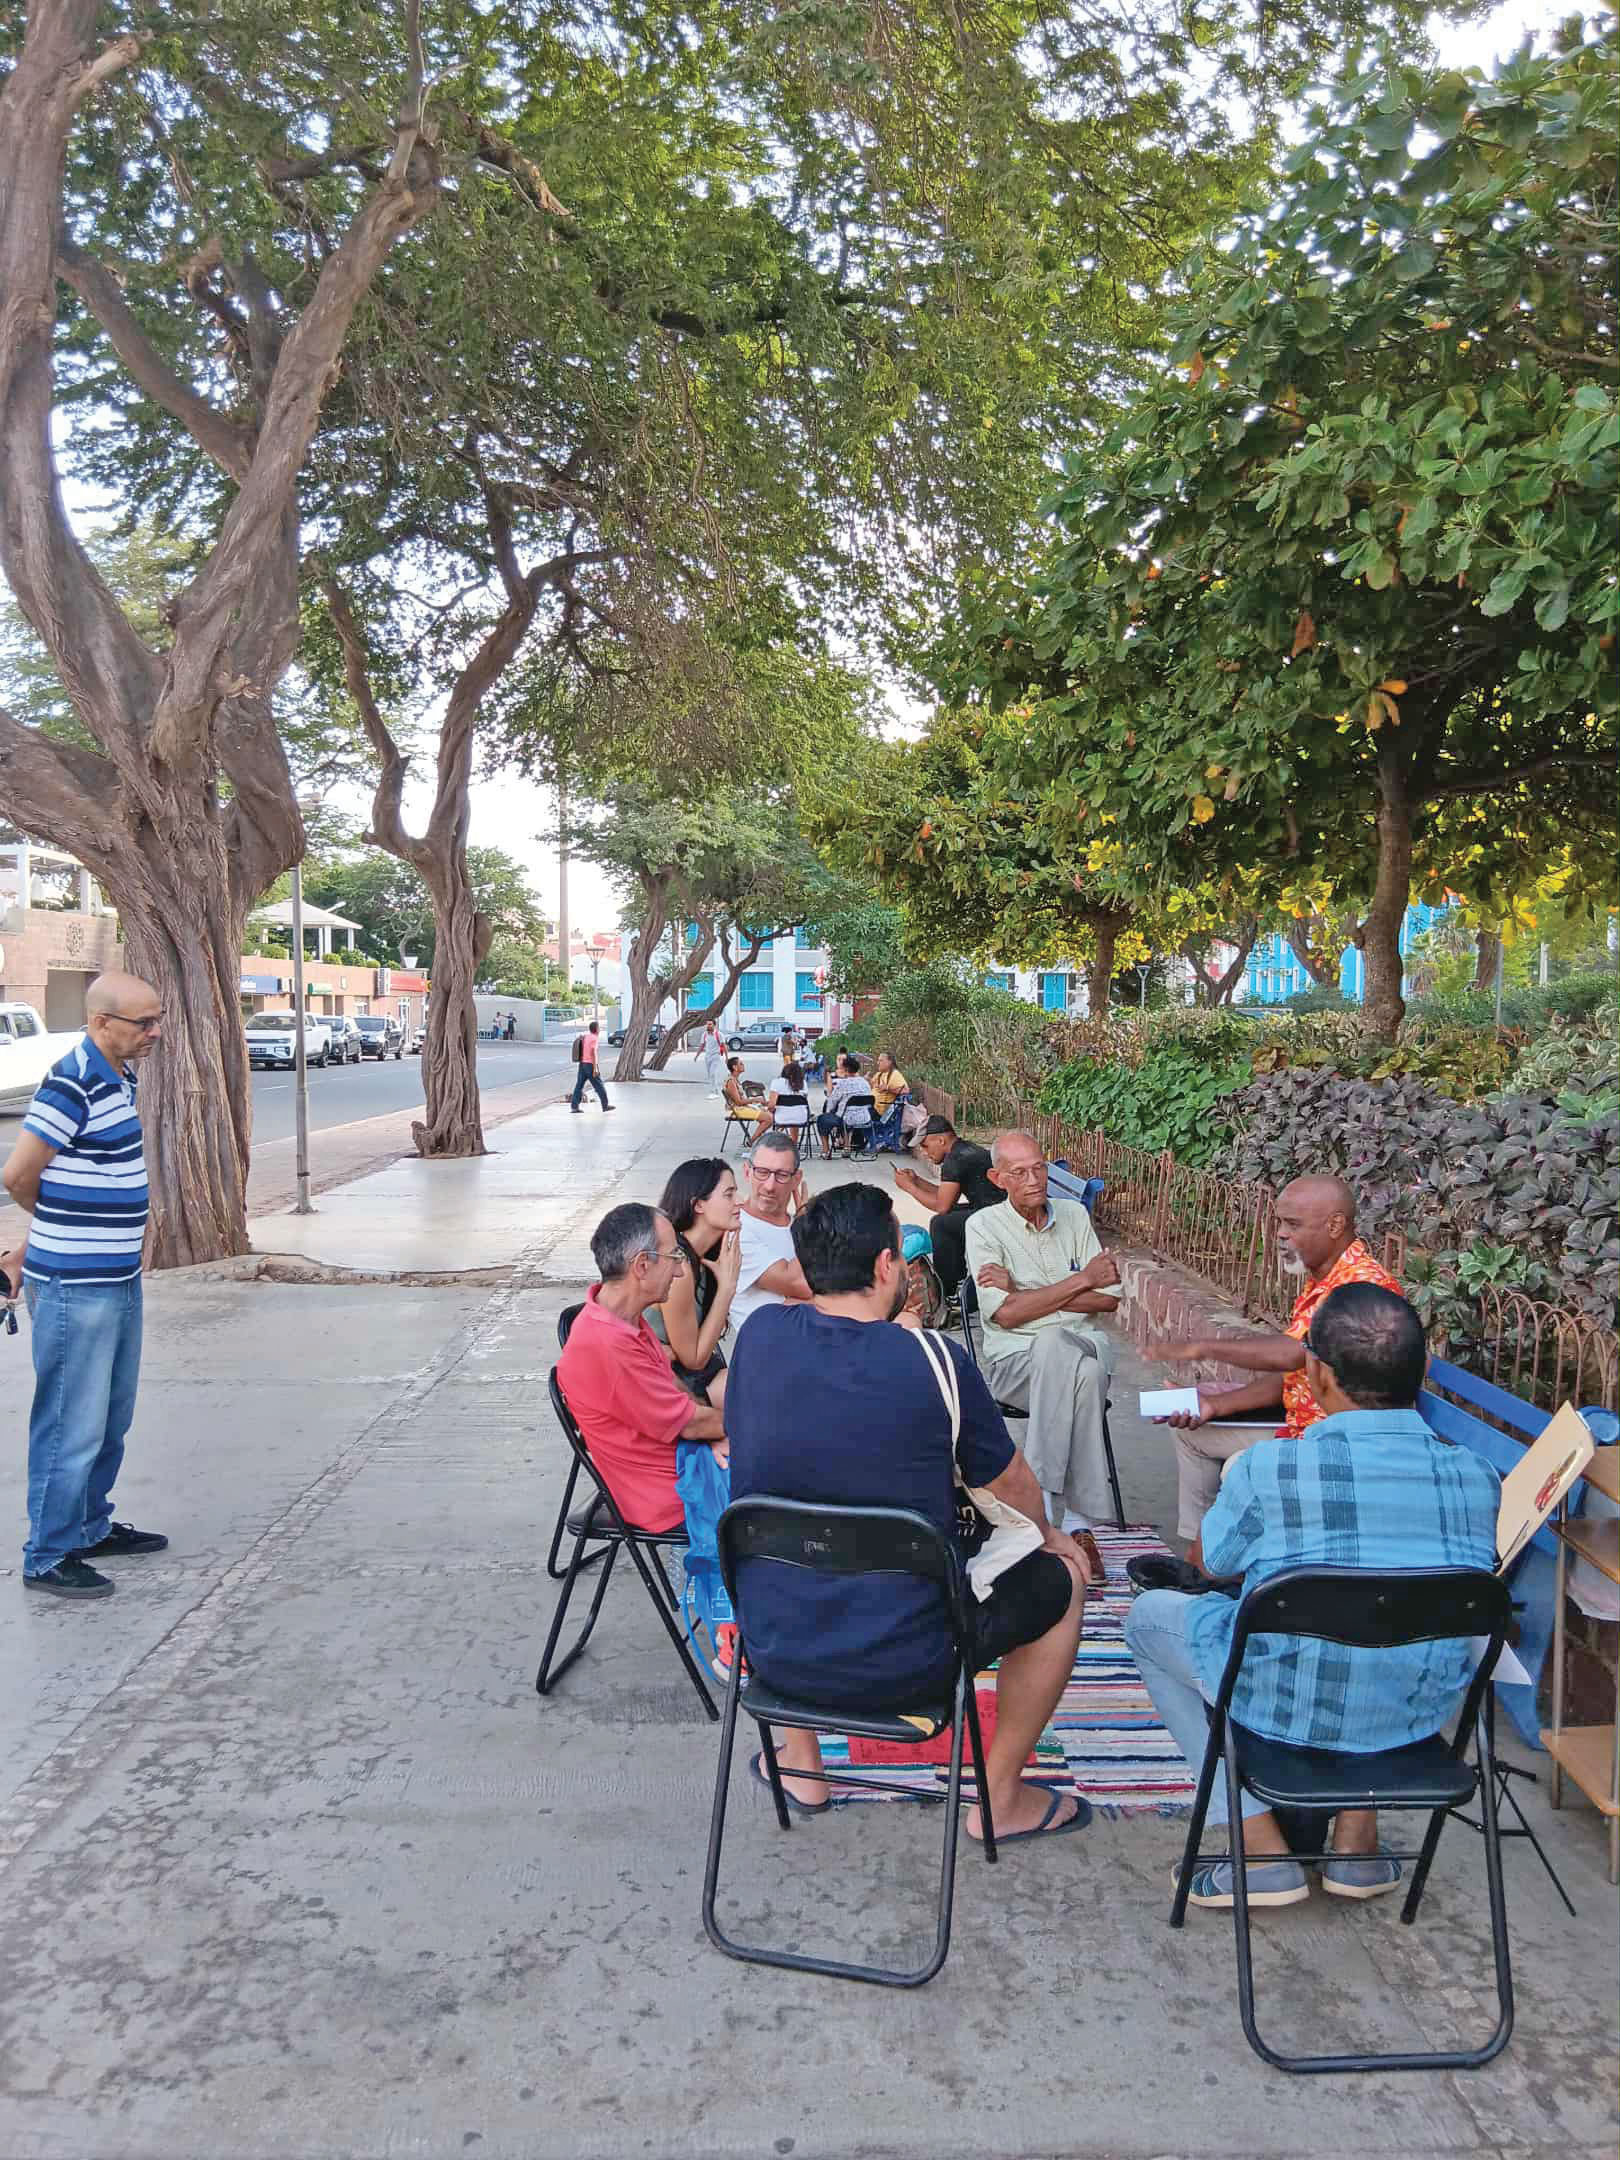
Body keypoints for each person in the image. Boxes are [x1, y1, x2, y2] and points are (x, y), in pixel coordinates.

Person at [726, 1180, 1093, 1837]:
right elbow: (1011, 1485)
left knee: (787, 1528)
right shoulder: (937, 1362)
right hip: (911, 1662)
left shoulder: (758, 1338)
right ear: (886, 1265)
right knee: (1064, 1580)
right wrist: (1048, 1534)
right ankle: (999, 1800)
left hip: (776, 1648)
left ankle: (804, 1768)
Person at [1125, 1282, 1500, 1911]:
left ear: (1318, 1374)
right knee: (1386, 1622)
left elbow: (1214, 1564)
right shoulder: (1478, 1478)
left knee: (1146, 1620)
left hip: (1282, 1703)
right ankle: (1356, 1843)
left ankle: (1261, 1850)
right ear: (1420, 1373)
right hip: (1413, 1710)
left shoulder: (1269, 1468)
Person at [1138, 1175, 1403, 1583]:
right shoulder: (1325, 1278)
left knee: (1243, 1470)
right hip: (1297, 1429)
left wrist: (1204, 1347)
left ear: (1335, 1225)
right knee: (1192, 1431)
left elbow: (1293, 1353)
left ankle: (1218, 1570)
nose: (1280, 1233)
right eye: (1280, 1222)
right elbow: (1295, 1374)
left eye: (1293, 1224)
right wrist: (1215, 1405)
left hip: (1336, 1448)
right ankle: (1201, 1556)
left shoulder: (1363, 1286)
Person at [1, 971, 169, 1600]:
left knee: (110, 1417)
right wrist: (49, 1238)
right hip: (76, 1285)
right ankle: (48, 1555)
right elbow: (19, 1176)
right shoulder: (71, 1082)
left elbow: (84, 1174)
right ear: (101, 1023)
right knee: (70, 1423)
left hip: (117, 1278)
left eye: (157, 1020)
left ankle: (89, 1527)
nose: (155, 1032)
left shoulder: (118, 1076)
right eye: (143, 1023)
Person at [965, 1130, 1120, 1565]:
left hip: (1084, 1343)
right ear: (997, 1179)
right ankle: (1079, 1524)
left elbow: (1108, 1299)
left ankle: (1040, 1508)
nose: (1034, 1180)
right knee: (1083, 1372)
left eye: (1039, 1168)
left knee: (1065, 1348)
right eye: (1019, 1172)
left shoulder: (1074, 1215)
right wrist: (1081, 1280)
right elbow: (1006, 1315)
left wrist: (1023, 1288)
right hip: (1016, 1366)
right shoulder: (983, 1227)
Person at [557, 1202, 728, 1537]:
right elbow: (691, 1424)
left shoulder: (622, 1317)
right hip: (670, 1495)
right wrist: (741, 1431)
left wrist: (716, 1434)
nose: (679, 1272)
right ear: (642, 1265)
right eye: (674, 1257)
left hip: (687, 1461)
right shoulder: (606, 1344)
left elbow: (676, 1390)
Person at [648, 1157, 743, 1407]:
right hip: (660, 1382)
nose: (739, 1202)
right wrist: (727, 1288)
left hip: (685, 1372)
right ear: (698, 1205)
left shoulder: (705, 1257)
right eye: (729, 1195)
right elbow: (695, 1360)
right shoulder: (678, 1265)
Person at [892, 1114, 1000, 1297]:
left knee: (941, 1223)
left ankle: (947, 1290)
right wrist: (916, 1181)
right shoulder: (963, 1150)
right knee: (948, 1219)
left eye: (925, 1146)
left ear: (941, 1140)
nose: (924, 1152)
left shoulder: (955, 1160)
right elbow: (945, 1195)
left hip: (998, 1215)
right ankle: (956, 1281)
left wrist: (909, 1187)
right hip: (993, 1208)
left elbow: (942, 1206)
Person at [730, 1128, 814, 1327]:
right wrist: (808, 1228)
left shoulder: (798, 1226)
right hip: (767, 1343)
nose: (769, 1186)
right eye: (762, 1172)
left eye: (781, 1175)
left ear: (796, 1179)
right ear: (747, 1172)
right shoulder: (736, 1229)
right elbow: (802, 1284)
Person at [815, 1052, 871, 1158]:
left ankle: (826, 1151)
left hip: (846, 1119)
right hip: (865, 1117)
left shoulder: (843, 1084)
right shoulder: (865, 1083)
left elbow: (831, 1103)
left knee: (822, 1120)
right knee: (845, 1116)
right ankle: (846, 1147)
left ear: (846, 1069)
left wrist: (828, 1112)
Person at [866, 1050, 910, 1153]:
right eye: (878, 1060)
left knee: (857, 1114)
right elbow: (873, 1086)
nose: (878, 1063)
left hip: (883, 1112)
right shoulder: (879, 1074)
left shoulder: (895, 1074)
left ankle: (874, 1142)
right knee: (855, 1111)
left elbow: (905, 1090)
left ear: (889, 1062)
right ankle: (869, 1142)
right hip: (874, 1107)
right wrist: (867, 1080)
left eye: (881, 1060)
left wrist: (888, 1088)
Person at [570, 1019, 614, 1113]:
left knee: (579, 1085)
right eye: (599, 1028)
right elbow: (593, 1052)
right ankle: (605, 1106)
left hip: (582, 1064)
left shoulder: (585, 1037)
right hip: (590, 1065)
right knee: (599, 1085)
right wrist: (595, 1068)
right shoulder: (594, 1038)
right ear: (596, 1029)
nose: (600, 1029)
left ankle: (574, 1107)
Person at [766, 1058, 811, 1149]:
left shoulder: (776, 1082)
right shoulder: (803, 1083)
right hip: (801, 1118)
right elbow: (803, 1103)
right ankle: (794, 1145)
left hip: (781, 1118)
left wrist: (773, 1111)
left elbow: (771, 1106)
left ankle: (777, 1141)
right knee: (794, 1113)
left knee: (779, 1115)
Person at [722, 1054, 770, 1134]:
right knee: (768, 1118)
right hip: (738, 1110)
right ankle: (753, 1140)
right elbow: (739, 1102)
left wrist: (757, 1102)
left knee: (769, 1114)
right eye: (741, 1064)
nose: (743, 1065)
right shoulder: (731, 1081)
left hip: (742, 1108)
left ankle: (760, 1138)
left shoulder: (734, 1079)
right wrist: (755, 1099)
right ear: (735, 1067)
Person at [694, 1019, 727, 1094]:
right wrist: (697, 1056)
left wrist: (727, 1057)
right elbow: (702, 1046)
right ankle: (714, 1088)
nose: (708, 1026)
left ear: (714, 1025)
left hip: (716, 1056)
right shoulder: (704, 1034)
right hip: (707, 1057)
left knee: (713, 1073)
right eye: (707, 1024)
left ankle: (714, 1090)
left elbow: (724, 1046)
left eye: (710, 1024)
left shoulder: (719, 1034)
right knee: (710, 1075)